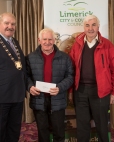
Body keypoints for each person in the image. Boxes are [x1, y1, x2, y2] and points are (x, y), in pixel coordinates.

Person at [69, 15, 114, 142]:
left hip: (100, 91)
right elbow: (71, 69)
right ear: (84, 27)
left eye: (93, 25)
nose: (90, 28)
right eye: (87, 25)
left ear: (98, 26)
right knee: (82, 126)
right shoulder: (77, 44)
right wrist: (71, 91)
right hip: (80, 91)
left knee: (102, 126)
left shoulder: (107, 45)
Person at [26, 28, 74, 142]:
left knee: (59, 132)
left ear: (54, 40)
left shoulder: (65, 57)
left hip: (57, 100)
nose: (47, 42)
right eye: (44, 39)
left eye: (50, 39)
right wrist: (29, 87)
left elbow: (70, 76)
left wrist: (60, 87)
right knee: (43, 133)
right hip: (39, 100)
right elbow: (25, 76)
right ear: (39, 40)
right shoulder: (29, 58)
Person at [0, 13, 26, 142]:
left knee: (14, 128)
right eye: (6, 23)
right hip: (2, 96)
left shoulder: (14, 41)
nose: (10, 26)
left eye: (13, 24)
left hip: (17, 94)